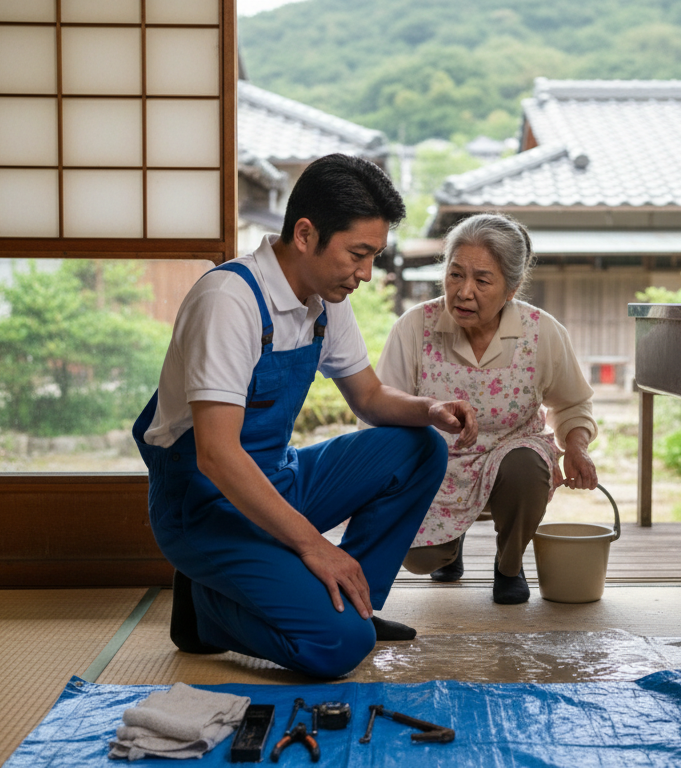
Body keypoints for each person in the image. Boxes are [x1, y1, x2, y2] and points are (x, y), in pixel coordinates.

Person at [133, 154, 478, 679]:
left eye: (374, 256)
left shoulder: (325, 298)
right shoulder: (230, 300)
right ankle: (204, 612)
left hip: (276, 479)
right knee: (338, 647)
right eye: (358, 254)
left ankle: (355, 597)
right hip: (205, 505)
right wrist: (316, 548)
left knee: (418, 445)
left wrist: (429, 409)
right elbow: (218, 456)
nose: (366, 274)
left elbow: (369, 397)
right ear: (305, 233)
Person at [376, 213, 598, 604]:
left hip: (511, 456)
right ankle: (450, 544)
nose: (463, 292)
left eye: (482, 280)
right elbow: (380, 408)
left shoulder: (542, 332)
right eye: (455, 274)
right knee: (419, 559)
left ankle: (509, 563)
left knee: (526, 466)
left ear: (511, 289)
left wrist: (576, 448)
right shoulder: (414, 327)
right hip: (435, 463)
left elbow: (573, 402)